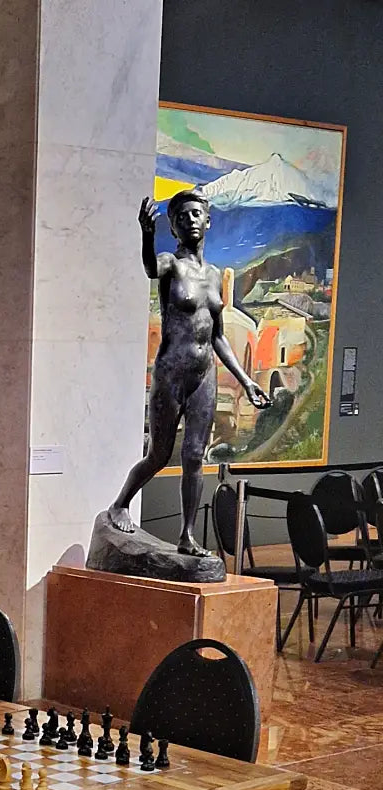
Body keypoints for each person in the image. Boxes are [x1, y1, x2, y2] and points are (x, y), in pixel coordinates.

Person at [108, 190, 271, 556]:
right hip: (170, 373)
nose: (191, 220)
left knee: (196, 455)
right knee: (160, 454)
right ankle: (120, 503)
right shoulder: (170, 264)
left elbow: (217, 337)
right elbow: (151, 269)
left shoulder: (214, 276)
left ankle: (187, 536)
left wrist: (246, 382)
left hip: (203, 375)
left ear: (208, 221)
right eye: (182, 217)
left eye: (196, 214)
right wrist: (146, 236)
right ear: (173, 226)